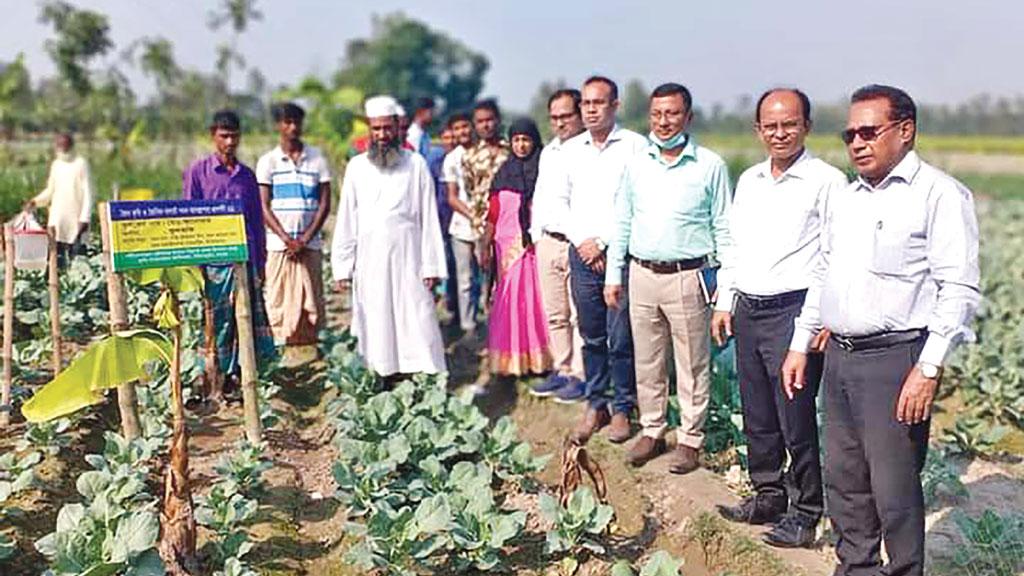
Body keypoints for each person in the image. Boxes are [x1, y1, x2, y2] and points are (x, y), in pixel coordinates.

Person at [781, 85, 980, 576]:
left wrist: (927, 368)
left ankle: (905, 569)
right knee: (846, 481)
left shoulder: (939, 195)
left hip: (896, 361)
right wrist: (800, 343)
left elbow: (959, 289)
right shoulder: (847, 199)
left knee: (894, 489)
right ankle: (856, 568)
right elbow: (823, 274)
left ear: (905, 131)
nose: (857, 143)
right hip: (842, 358)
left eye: (869, 131)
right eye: (850, 134)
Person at [711, 89, 847, 547]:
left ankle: (807, 513)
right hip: (750, 307)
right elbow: (735, 247)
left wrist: (806, 332)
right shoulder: (749, 180)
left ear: (806, 126)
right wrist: (725, 301)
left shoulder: (827, 182)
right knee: (757, 414)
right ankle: (768, 494)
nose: (780, 133)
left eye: (789, 124)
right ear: (758, 130)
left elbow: (832, 260)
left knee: (796, 417)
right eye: (770, 126)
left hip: (794, 311)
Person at [604, 83, 732, 474]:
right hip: (642, 273)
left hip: (688, 275)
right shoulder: (637, 163)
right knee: (647, 357)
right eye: (657, 114)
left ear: (688, 117)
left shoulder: (710, 166)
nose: (663, 122)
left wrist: (724, 293)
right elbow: (622, 220)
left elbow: (723, 228)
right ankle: (653, 429)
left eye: (672, 114)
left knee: (692, 362)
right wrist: (614, 274)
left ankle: (691, 438)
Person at [552, 76, 647, 443]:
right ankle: (596, 403)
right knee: (591, 335)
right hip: (581, 254)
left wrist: (605, 243)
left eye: (599, 103)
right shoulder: (570, 151)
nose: (591, 109)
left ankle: (624, 407)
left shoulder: (634, 147)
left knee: (620, 336)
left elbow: (637, 201)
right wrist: (582, 241)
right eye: (586, 104)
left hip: (619, 255)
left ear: (615, 106)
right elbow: (559, 203)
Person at [331, 95, 448, 378]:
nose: (382, 135)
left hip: (410, 257)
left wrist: (431, 265)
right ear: (370, 131)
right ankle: (380, 376)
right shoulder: (357, 167)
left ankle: (424, 375)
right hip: (370, 260)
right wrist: (342, 267)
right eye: (376, 129)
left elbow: (428, 218)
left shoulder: (416, 164)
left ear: (398, 128)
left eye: (387, 128)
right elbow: (347, 218)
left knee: (417, 316)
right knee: (376, 317)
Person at [181, 110, 276, 398]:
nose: (230, 141)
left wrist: (260, 262)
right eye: (224, 136)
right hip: (213, 263)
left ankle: (240, 375)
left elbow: (257, 222)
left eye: (234, 136)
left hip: (243, 260)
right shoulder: (198, 172)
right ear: (214, 136)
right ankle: (213, 378)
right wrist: (194, 263)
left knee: (245, 319)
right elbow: (189, 217)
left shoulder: (246, 176)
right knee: (217, 323)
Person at [256, 102, 332, 352]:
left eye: (297, 122)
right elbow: (263, 205)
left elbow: (324, 203)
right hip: (279, 245)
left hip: (309, 243)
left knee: (311, 297)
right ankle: (281, 347)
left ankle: (310, 347)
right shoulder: (269, 161)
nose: (293, 127)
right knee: (277, 297)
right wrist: (287, 239)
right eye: (287, 122)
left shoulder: (317, 159)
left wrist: (304, 238)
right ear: (279, 126)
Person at [480, 118, 551, 376]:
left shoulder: (544, 171)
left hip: (531, 245)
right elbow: (493, 214)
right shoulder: (503, 173)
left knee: (533, 300)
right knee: (509, 301)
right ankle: (512, 362)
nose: (521, 145)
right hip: (504, 246)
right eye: (516, 140)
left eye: (526, 140)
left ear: (534, 141)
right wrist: (484, 245)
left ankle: (539, 361)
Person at [528, 88, 587, 399]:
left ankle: (580, 374)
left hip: (576, 243)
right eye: (554, 118)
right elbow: (541, 196)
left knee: (579, 314)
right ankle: (561, 369)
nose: (561, 123)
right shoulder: (549, 151)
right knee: (555, 313)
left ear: (579, 116)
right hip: (548, 241)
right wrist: (536, 235)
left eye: (566, 116)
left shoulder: (589, 150)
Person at [459, 100, 510, 335]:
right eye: (480, 122)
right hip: (482, 226)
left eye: (489, 120)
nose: (486, 125)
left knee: (508, 277)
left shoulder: (510, 150)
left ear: (497, 120)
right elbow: (471, 189)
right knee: (486, 276)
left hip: (510, 226)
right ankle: (492, 330)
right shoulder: (468, 156)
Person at [25, 132, 92, 267]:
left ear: (71, 146)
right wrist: (35, 202)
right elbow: (50, 191)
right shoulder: (56, 165)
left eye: (65, 145)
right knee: (56, 260)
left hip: (76, 219)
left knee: (77, 260)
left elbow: (88, 193)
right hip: (57, 220)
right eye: (59, 145)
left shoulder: (80, 164)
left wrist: (84, 218)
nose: (62, 148)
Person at [443, 112, 481, 337]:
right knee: (465, 279)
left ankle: (495, 322)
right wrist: (473, 216)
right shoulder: (452, 159)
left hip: (487, 226)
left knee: (487, 279)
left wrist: (484, 219)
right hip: (462, 227)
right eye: (457, 129)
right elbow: (452, 197)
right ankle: (469, 326)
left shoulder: (485, 153)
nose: (462, 132)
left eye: (465, 127)